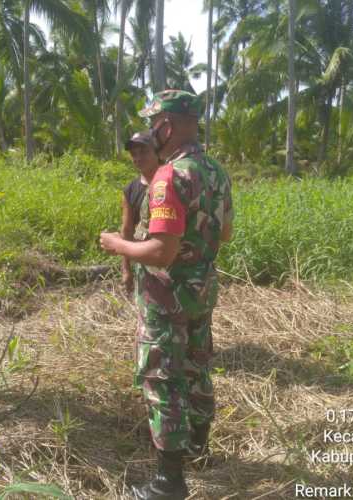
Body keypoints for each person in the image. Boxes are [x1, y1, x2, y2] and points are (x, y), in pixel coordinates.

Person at [100, 90, 234, 499]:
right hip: (201, 289)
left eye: (154, 124)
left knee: (163, 378)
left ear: (168, 126)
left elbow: (161, 251)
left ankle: (167, 482)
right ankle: (198, 446)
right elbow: (224, 233)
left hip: (167, 295)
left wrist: (117, 244)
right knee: (197, 365)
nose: (152, 132)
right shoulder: (215, 172)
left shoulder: (168, 177)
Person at [121, 131, 159, 292]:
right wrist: (126, 269)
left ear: (157, 152)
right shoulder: (131, 189)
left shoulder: (171, 183)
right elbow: (127, 229)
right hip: (144, 263)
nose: (138, 158)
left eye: (144, 152)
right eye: (134, 154)